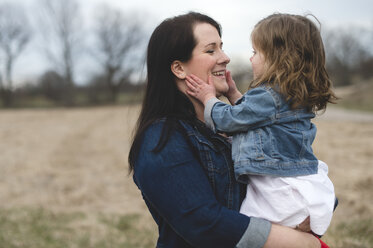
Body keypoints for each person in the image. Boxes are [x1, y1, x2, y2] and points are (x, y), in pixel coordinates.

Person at [129, 12, 323, 248]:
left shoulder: (235, 130)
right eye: (211, 50)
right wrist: (302, 243)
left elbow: (296, 169)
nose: (226, 58)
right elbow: (204, 223)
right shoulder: (160, 139)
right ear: (179, 69)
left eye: (222, 47)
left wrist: (317, 208)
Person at [185, 13, 337, 238]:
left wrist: (209, 98)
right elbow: (253, 119)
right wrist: (234, 94)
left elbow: (229, 120)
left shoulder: (270, 96)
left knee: (252, 230)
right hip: (289, 178)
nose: (250, 59)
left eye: (256, 52)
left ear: (278, 59)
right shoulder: (285, 95)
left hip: (277, 186)